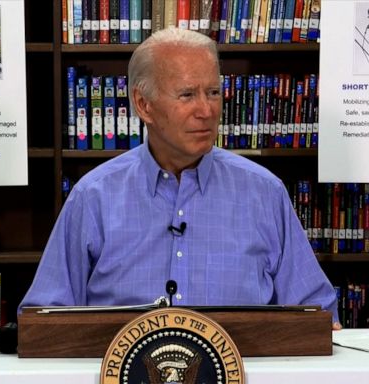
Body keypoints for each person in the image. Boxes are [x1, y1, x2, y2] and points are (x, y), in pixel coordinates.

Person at [18, 27, 341, 329]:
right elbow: (45, 319)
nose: (206, 110)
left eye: (213, 92)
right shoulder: (94, 195)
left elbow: (315, 313)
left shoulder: (263, 191)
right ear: (144, 105)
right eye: (187, 95)